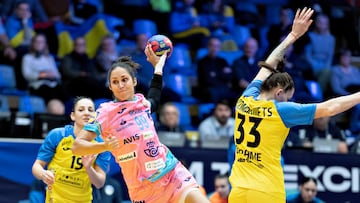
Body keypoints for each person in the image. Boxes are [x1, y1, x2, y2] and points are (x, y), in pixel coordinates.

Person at [228, 7, 360, 202]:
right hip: (266, 192)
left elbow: (267, 66)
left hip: (239, 191)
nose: (288, 102)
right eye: (287, 97)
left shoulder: (244, 99)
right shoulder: (281, 110)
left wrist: (292, 35)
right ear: (279, 92)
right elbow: (331, 108)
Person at [71, 46, 210, 203]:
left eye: (124, 79)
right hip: (143, 189)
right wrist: (105, 146)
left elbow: (155, 97)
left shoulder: (141, 103)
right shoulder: (105, 113)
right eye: (115, 82)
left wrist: (158, 67)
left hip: (171, 173)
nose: (121, 85)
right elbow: (77, 146)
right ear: (110, 87)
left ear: (134, 81)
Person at [31, 96, 111, 202]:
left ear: (95, 116)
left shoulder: (101, 144)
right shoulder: (57, 135)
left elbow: (99, 183)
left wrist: (88, 168)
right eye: (81, 110)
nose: (86, 113)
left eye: (90, 110)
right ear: (73, 116)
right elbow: (37, 166)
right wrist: (43, 174)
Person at [22, 33, 67, 115]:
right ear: (33, 43)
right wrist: (43, 75)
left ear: (45, 44)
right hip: (37, 86)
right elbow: (27, 75)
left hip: (53, 84)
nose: (39, 44)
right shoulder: (27, 58)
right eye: (37, 41)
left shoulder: (49, 58)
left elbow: (58, 75)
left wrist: (51, 75)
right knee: (47, 89)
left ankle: (62, 114)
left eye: (41, 42)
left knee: (63, 90)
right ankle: (51, 113)